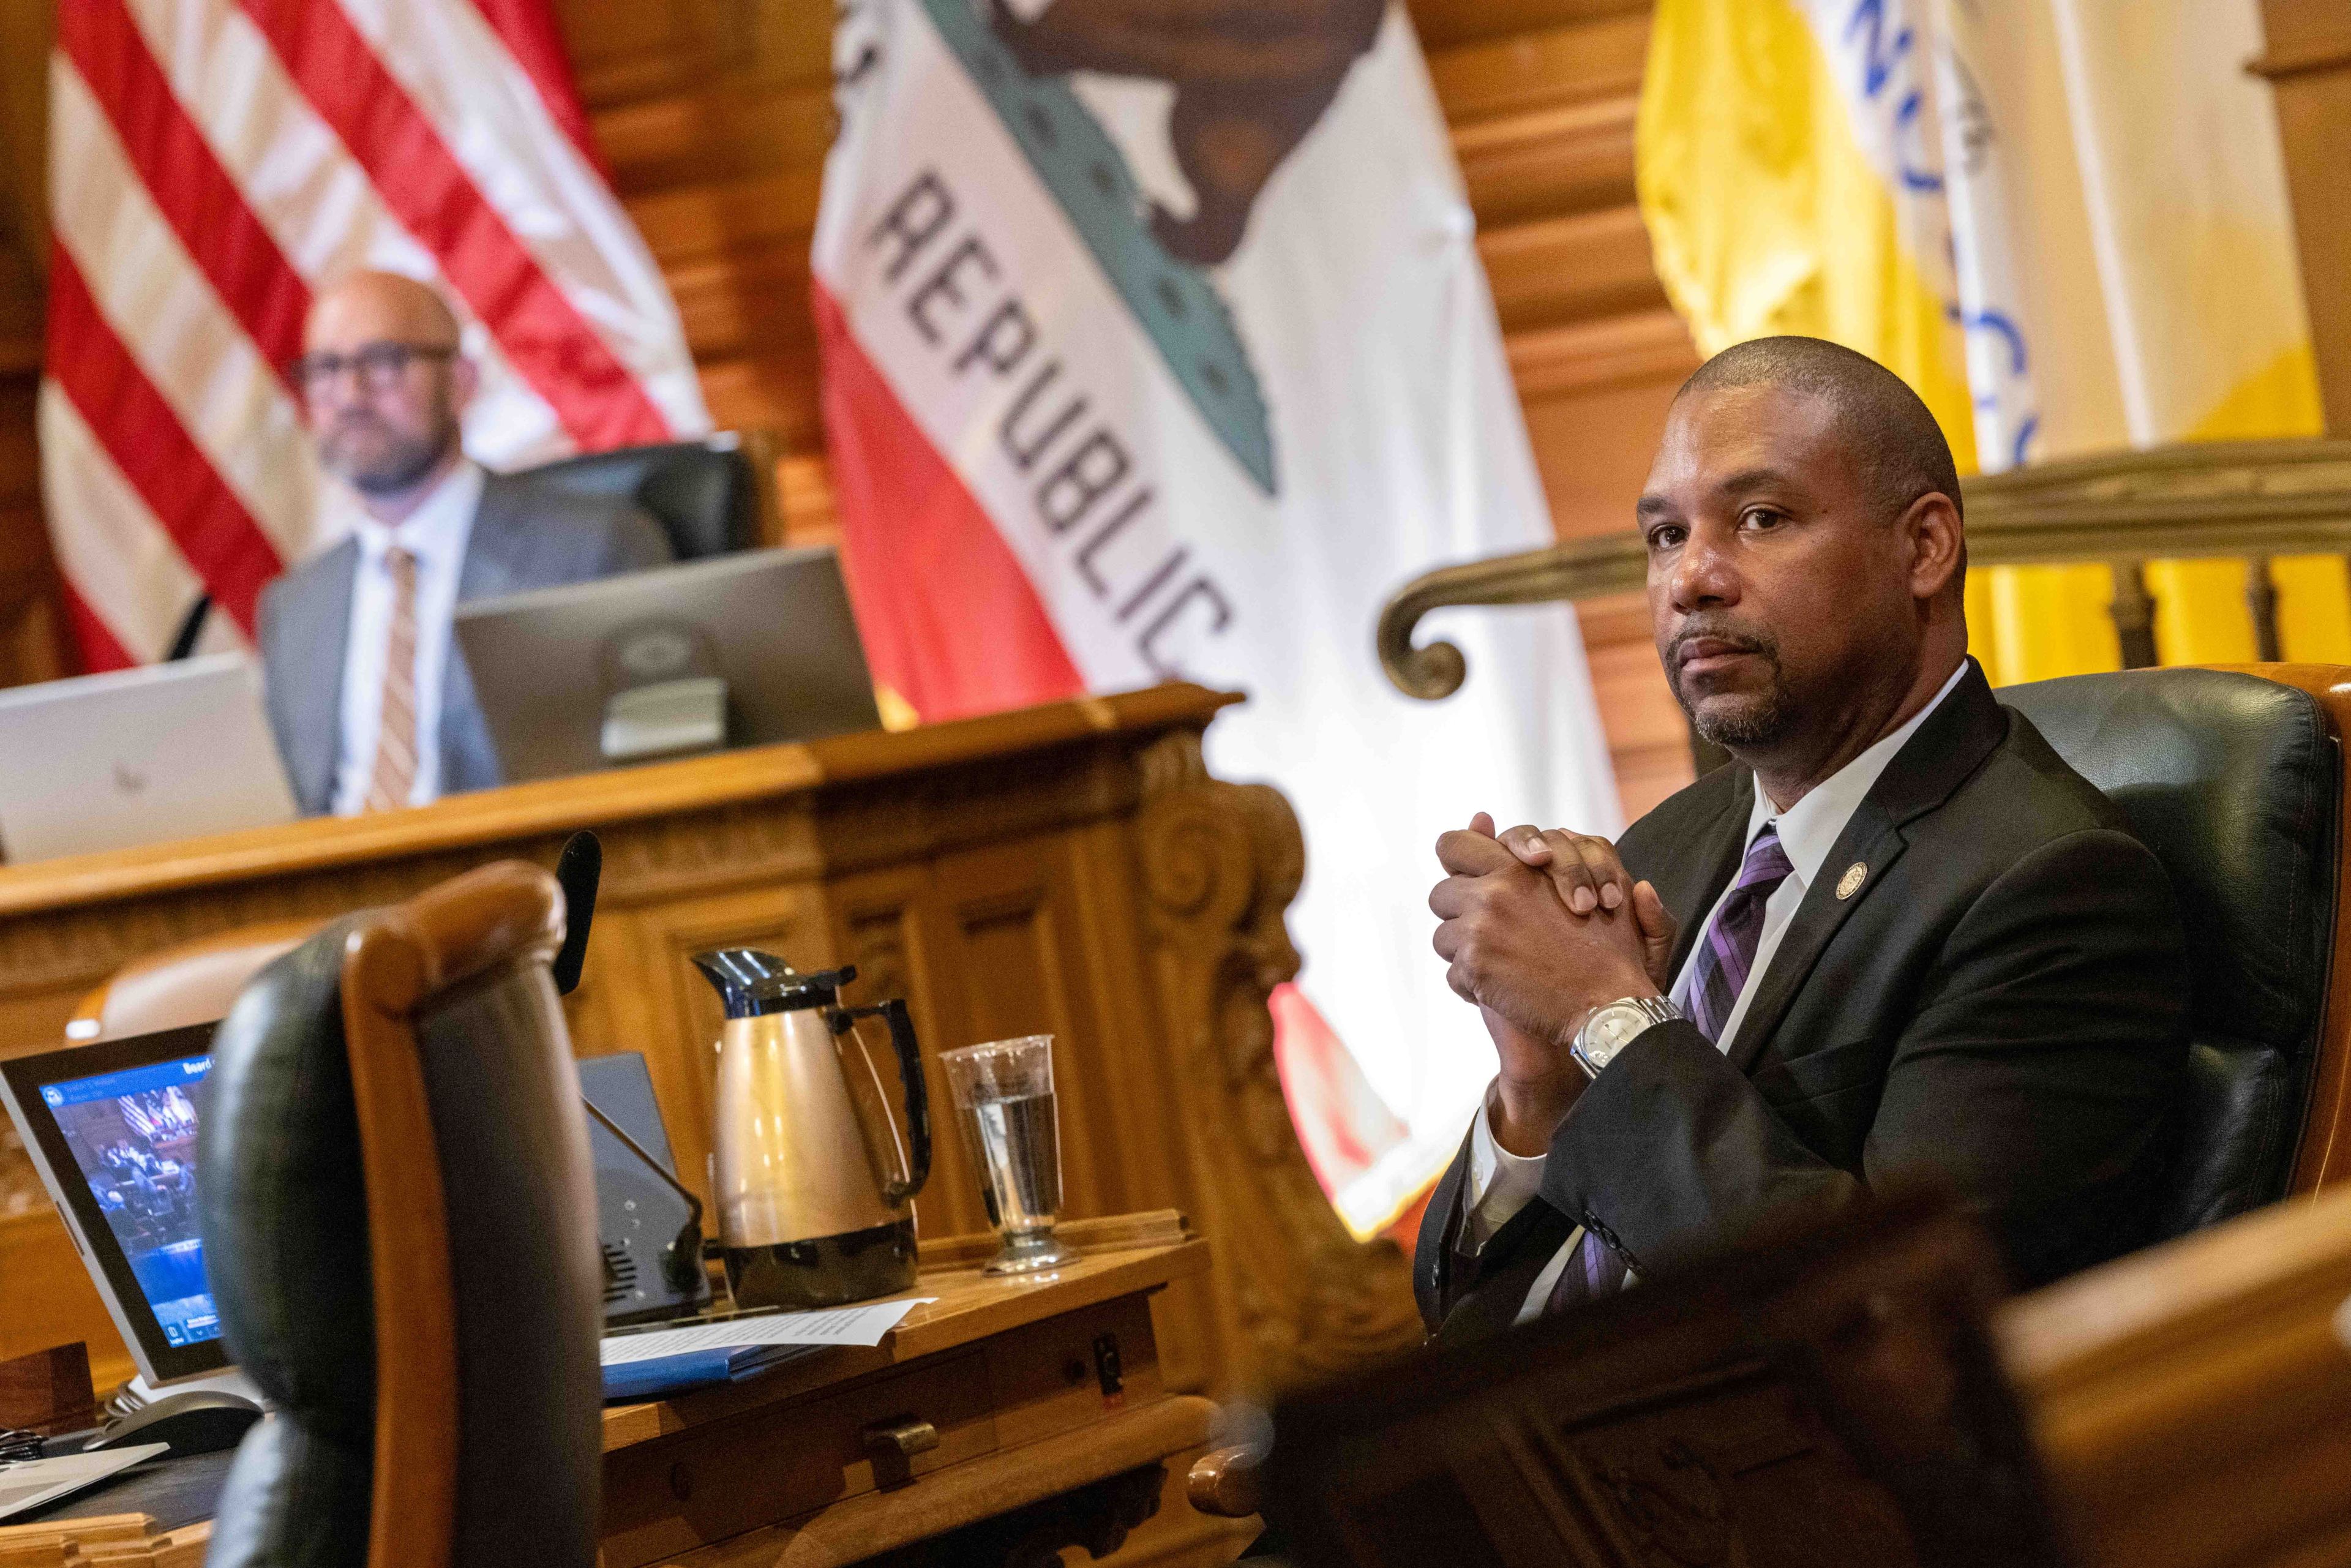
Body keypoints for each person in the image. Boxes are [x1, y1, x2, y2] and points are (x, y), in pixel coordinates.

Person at [1417, 336, 2188, 1343]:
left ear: (1924, 548)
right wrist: (1540, 1078)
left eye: (1761, 519)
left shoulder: (2053, 887)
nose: (1691, 578)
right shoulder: (1676, 841)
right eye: (1662, 536)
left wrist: (1608, 1015)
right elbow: (1458, 1304)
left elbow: (1890, 1319)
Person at [259, 271, 673, 816]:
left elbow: (656, 778)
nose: (351, 394)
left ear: (461, 382)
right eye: (326, 369)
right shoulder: (294, 607)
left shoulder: (592, 551)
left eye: (383, 361)